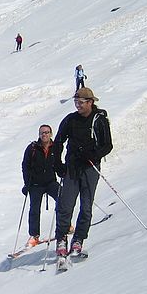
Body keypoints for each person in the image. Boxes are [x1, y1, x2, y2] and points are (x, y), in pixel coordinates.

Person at [52, 87, 113, 258]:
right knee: (65, 205)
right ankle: (61, 238)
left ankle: (78, 239)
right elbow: (58, 142)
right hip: (72, 167)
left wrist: (93, 155)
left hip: (90, 167)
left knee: (86, 206)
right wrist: (58, 164)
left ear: (90, 102)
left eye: (81, 102)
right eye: (76, 102)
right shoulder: (71, 120)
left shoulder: (99, 120)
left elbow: (107, 145)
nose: (77, 105)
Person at [21, 124, 61, 247]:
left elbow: (58, 163)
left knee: (63, 199)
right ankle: (34, 236)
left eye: (47, 132)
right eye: (42, 133)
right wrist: (27, 183)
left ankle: (65, 226)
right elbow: (25, 166)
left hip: (50, 182)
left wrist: (63, 171)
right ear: (39, 135)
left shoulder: (55, 147)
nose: (44, 134)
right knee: (34, 209)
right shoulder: (32, 148)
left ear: (51, 134)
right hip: (35, 184)